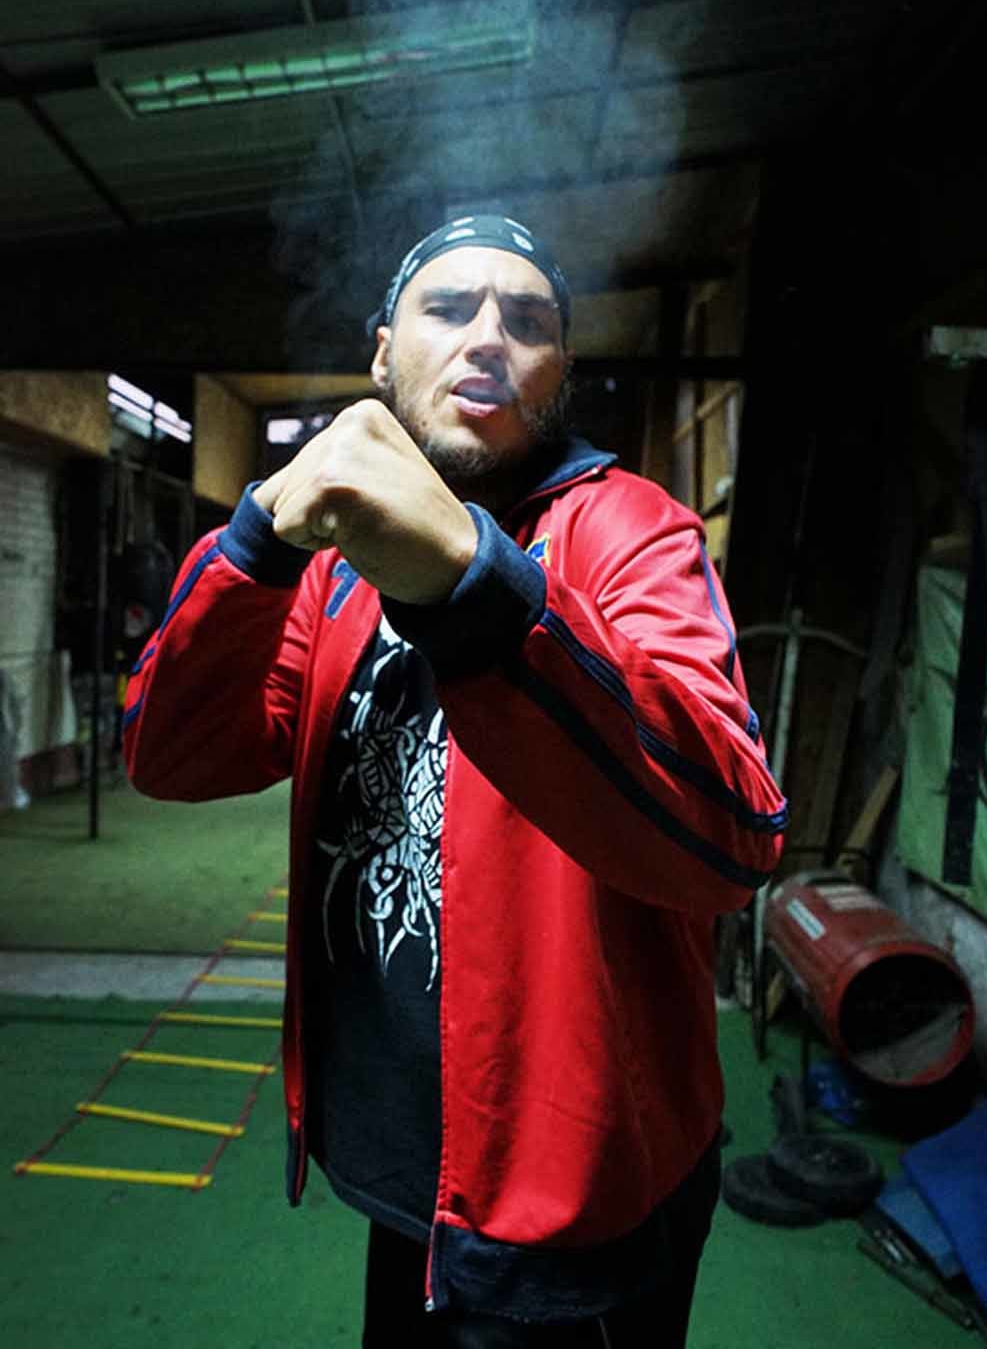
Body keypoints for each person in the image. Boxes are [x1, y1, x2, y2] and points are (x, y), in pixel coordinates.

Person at [124, 214, 787, 1347]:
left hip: (575, 1193)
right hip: (405, 1165)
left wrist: (477, 587)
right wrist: (256, 543)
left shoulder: (630, 530)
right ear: (385, 354)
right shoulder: (334, 567)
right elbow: (174, 751)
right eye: (448, 308)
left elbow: (732, 835)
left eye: (527, 321)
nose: (488, 337)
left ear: (560, 371)